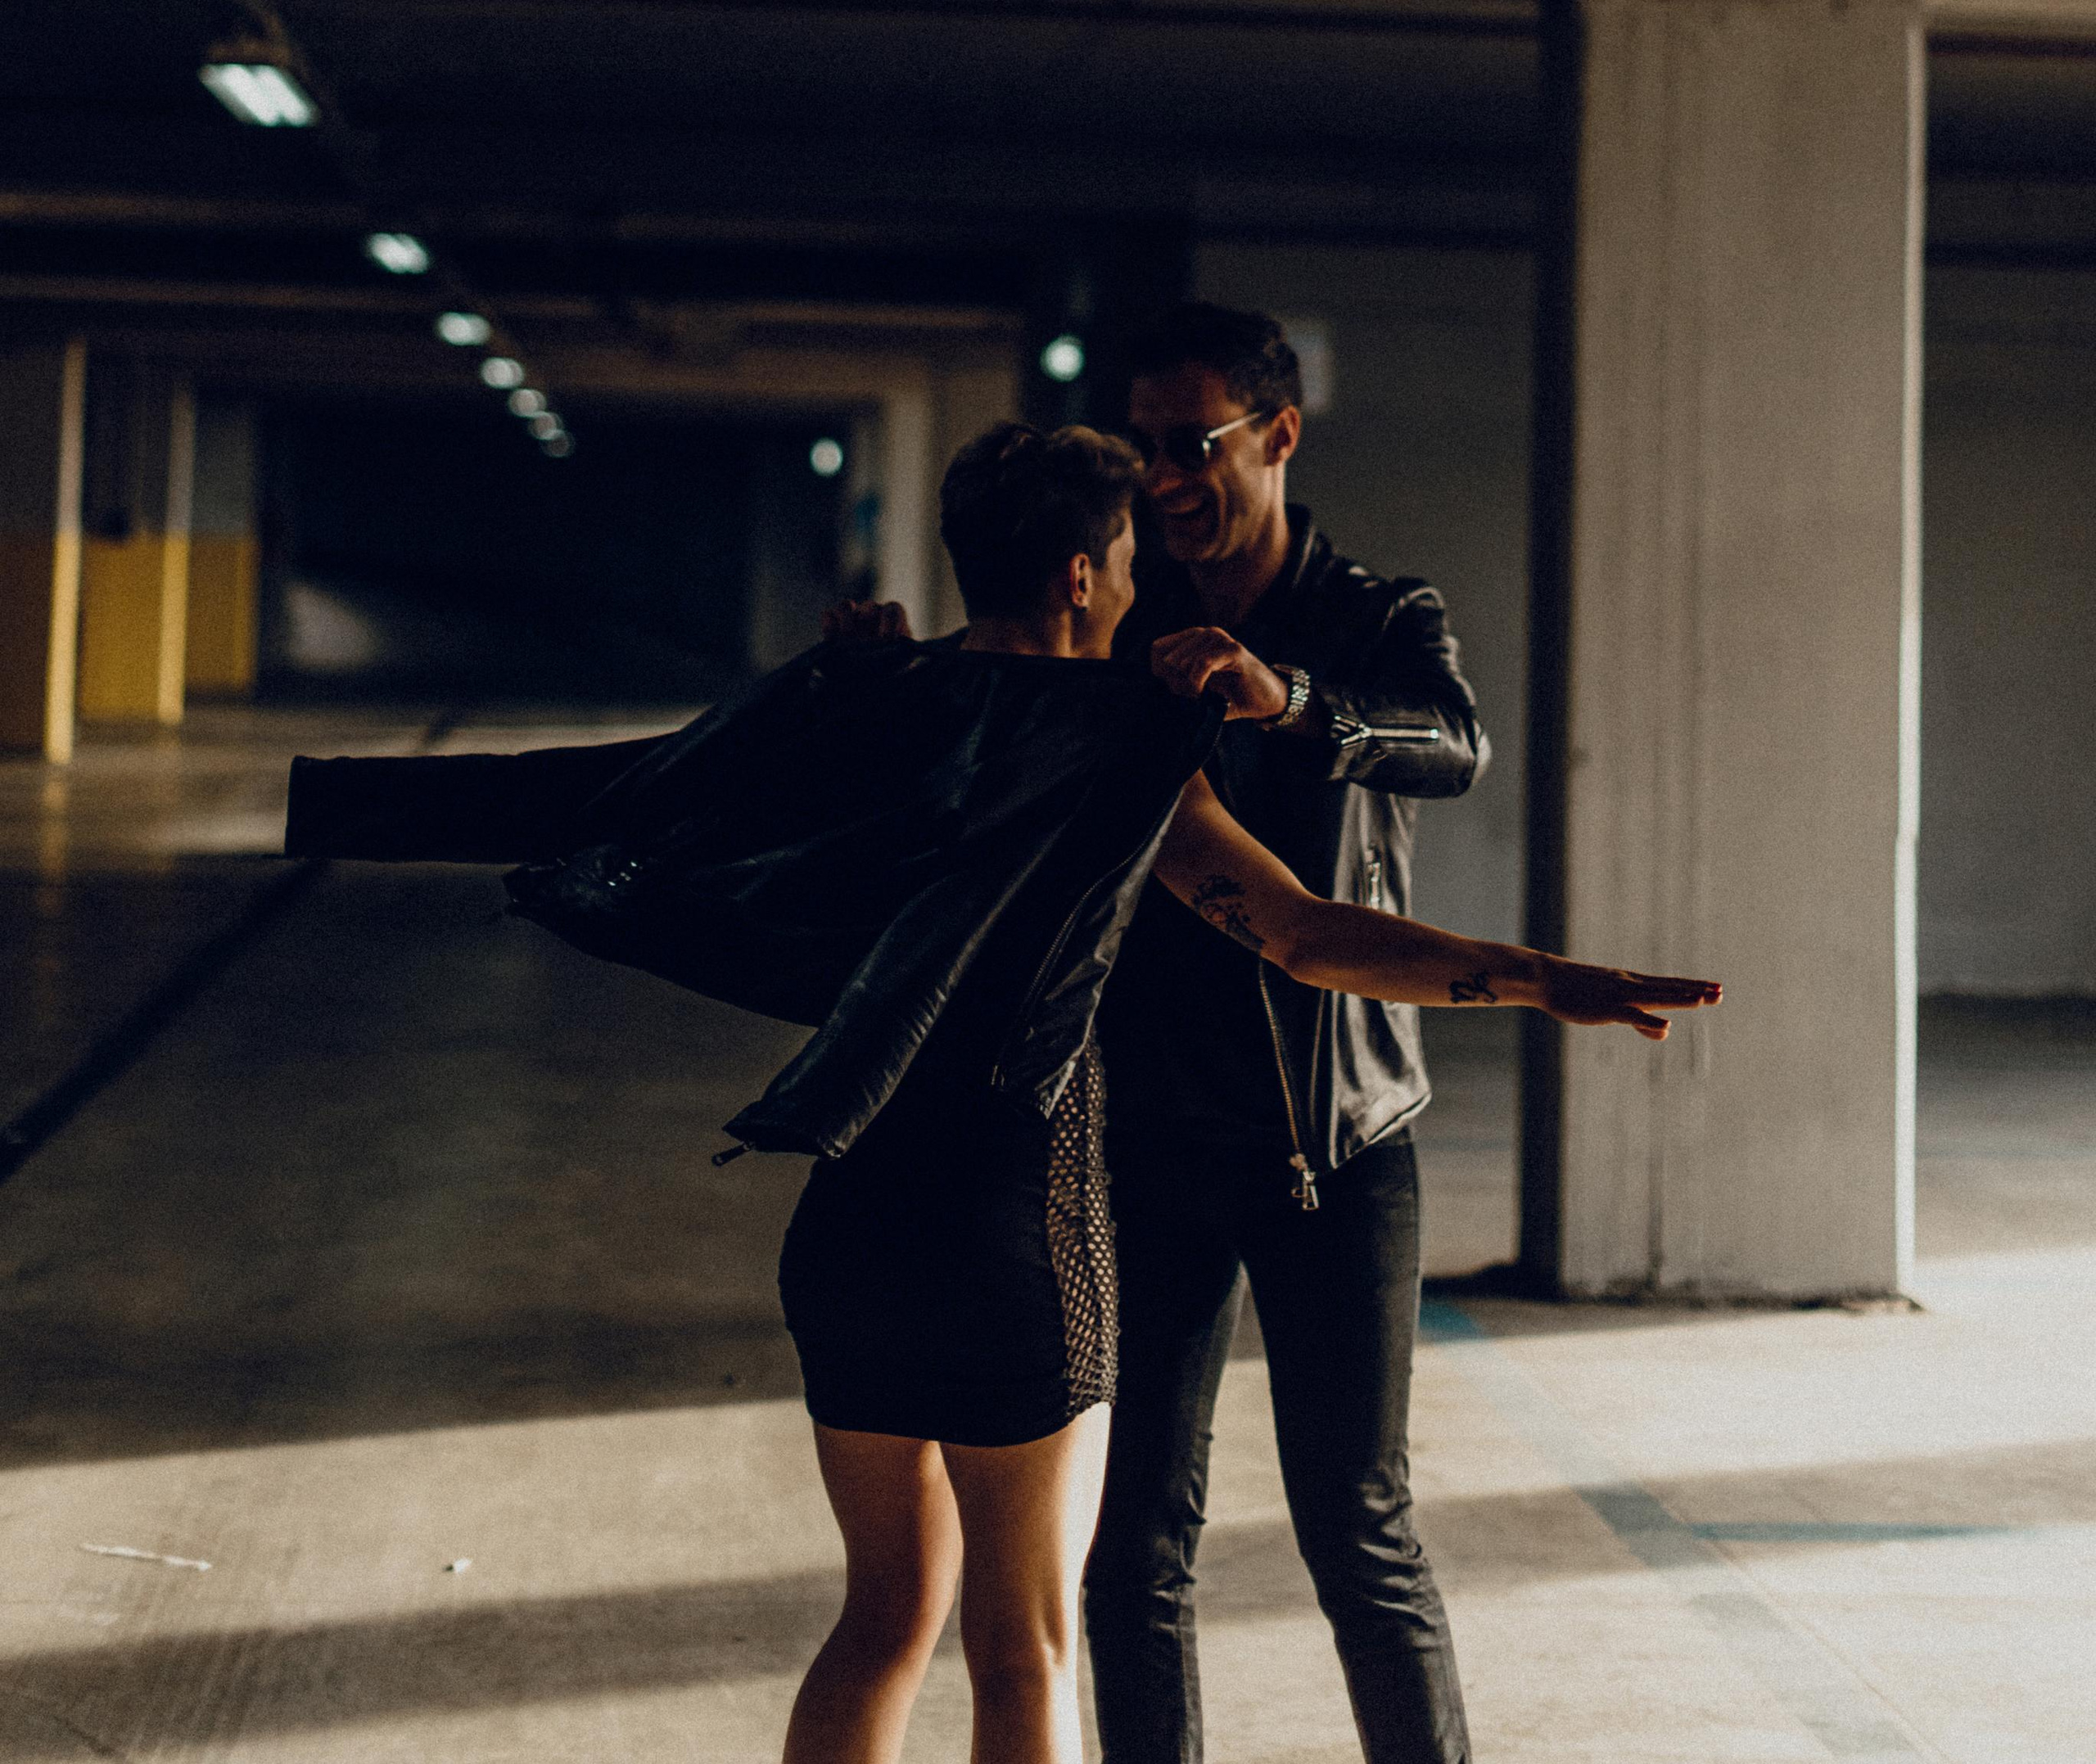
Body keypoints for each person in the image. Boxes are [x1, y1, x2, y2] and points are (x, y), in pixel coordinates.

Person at [287, 421, 1717, 1764]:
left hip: (846, 1222)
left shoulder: (870, 705)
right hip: (1016, 1234)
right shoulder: (1118, 735)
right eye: (1132, 568)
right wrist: (1539, 977)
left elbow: (626, 785)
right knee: (1026, 1644)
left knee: (881, 1615)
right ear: (1089, 572)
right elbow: (1301, 933)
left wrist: (348, 803)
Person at [1086, 301, 1495, 1764]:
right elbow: (1005, 690)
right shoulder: (1121, 620)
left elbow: (1453, 743)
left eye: (1191, 444)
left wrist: (1296, 704)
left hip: (1343, 1140)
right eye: (1144, 450)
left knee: (1359, 1536)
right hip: (1149, 1137)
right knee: (1132, 1543)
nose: (1166, 478)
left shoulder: (1380, 616)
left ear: (1279, 433)